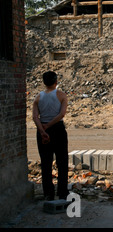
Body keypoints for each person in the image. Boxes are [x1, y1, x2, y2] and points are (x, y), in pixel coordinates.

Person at [32, 71, 69, 201]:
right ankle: (62, 192)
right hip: (57, 129)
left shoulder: (38, 97)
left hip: (42, 130)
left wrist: (42, 130)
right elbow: (61, 114)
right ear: (56, 82)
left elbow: (35, 117)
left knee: (46, 163)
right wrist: (49, 126)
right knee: (62, 162)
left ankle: (48, 193)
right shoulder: (61, 95)